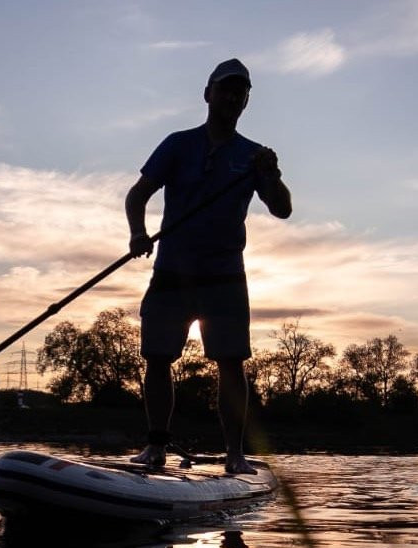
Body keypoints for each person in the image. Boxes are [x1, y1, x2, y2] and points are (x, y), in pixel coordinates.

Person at [125, 58, 292, 474]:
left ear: (246, 101)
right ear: (208, 94)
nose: (232, 97)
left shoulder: (253, 156)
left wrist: (270, 176)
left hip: (225, 278)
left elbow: (283, 209)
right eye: (225, 89)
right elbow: (137, 195)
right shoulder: (177, 144)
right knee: (157, 358)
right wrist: (137, 234)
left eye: (240, 92)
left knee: (231, 362)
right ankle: (156, 447)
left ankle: (235, 456)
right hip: (172, 272)